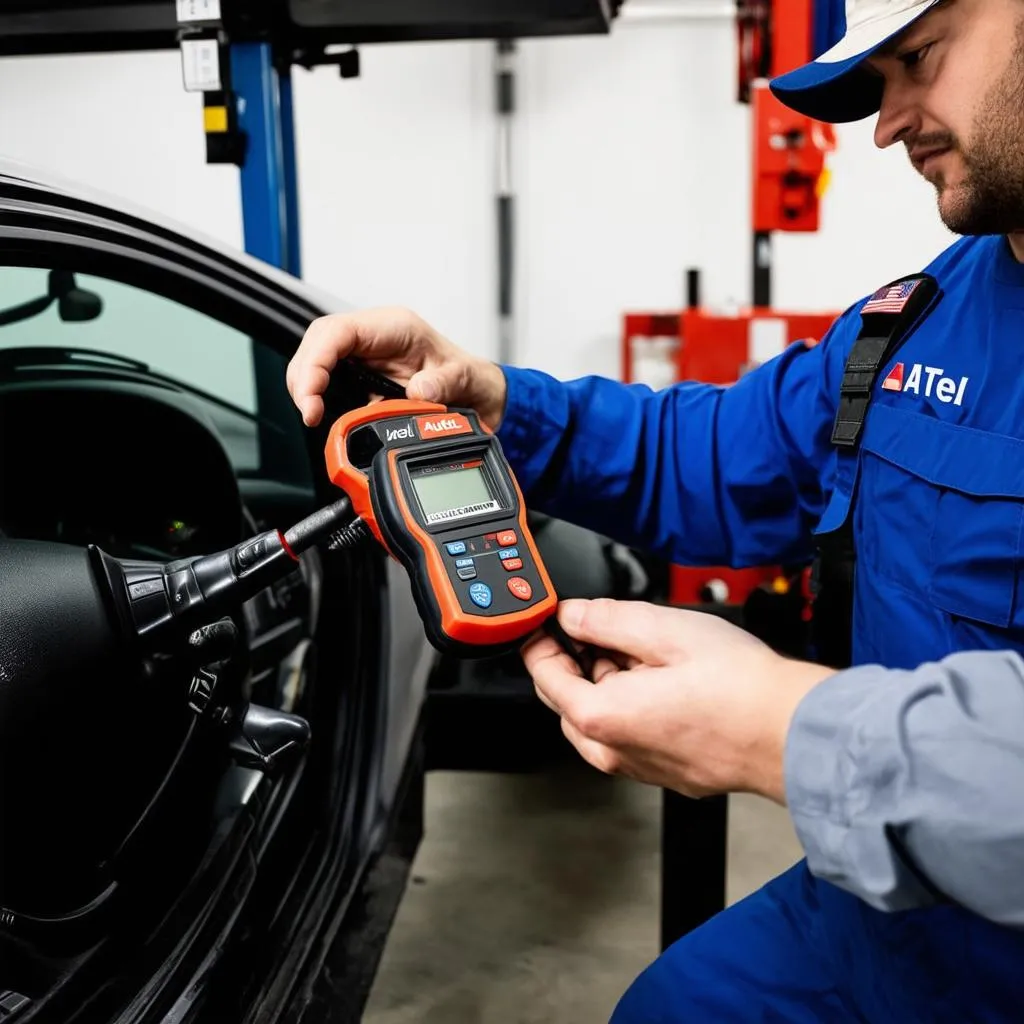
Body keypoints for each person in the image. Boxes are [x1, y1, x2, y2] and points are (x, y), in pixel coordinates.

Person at [285, 0, 1024, 1015]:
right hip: (885, 907)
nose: (885, 123)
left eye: (917, 60)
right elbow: (719, 455)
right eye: (875, 83)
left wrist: (778, 729)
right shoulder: (912, 324)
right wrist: (492, 399)